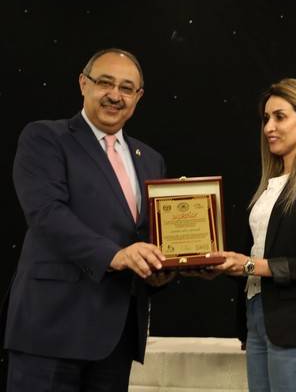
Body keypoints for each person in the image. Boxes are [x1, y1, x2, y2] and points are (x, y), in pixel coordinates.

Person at [4, 48, 173, 391]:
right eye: (105, 83)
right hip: (51, 328)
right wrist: (115, 255)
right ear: (83, 83)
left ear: (138, 97)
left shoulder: (150, 159)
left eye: (127, 88)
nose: (115, 95)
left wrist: (163, 268)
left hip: (116, 337)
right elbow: (46, 214)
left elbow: (148, 235)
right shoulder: (45, 138)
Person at [209, 78, 296, 392]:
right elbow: (255, 256)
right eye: (265, 118)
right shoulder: (270, 185)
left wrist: (249, 265)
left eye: (279, 117)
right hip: (257, 314)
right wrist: (221, 265)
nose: (269, 127)